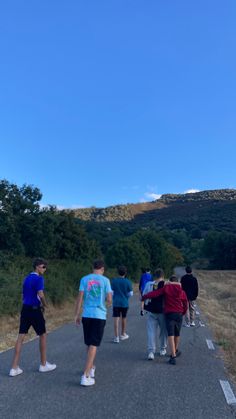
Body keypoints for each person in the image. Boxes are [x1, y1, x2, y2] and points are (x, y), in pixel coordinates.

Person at [9, 258, 56, 377]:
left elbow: (24, 295)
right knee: (43, 335)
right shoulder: (39, 279)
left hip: (25, 309)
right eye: (43, 267)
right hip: (35, 310)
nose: (45, 269)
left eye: (45, 267)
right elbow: (40, 294)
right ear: (37, 267)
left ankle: (14, 368)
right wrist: (45, 305)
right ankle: (43, 364)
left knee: (21, 336)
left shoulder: (26, 278)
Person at [75, 259, 112, 386]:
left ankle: (91, 367)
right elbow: (109, 299)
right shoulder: (105, 280)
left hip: (86, 314)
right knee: (94, 344)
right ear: (102, 269)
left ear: (93, 267)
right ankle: (85, 375)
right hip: (99, 314)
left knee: (89, 342)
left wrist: (77, 314)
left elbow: (80, 297)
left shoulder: (84, 279)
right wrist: (108, 302)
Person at [142, 275, 188, 365]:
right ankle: (174, 350)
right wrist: (183, 312)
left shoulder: (166, 288)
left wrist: (144, 297)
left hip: (169, 313)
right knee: (177, 333)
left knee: (170, 333)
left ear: (169, 281)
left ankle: (173, 355)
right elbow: (185, 302)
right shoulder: (181, 291)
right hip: (179, 313)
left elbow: (155, 293)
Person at [142, 268, 167, 360]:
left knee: (151, 331)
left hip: (151, 310)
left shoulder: (149, 284)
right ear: (163, 276)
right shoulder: (165, 284)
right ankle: (162, 349)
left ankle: (151, 351)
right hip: (163, 311)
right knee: (163, 331)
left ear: (154, 276)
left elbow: (144, 295)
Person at [111, 265, 133, 343]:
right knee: (123, 318)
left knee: (116, 319)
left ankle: (116, 337)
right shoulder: (128, 282)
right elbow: (130, 293)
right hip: (124, 302)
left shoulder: (114, 281)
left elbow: (112, 293)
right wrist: (125, 296)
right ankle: (123, 334)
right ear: (125, 273)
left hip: (116, 302)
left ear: (118, 272)